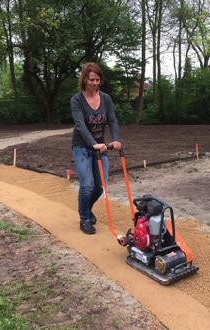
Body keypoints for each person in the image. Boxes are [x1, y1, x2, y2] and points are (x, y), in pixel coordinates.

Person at [71, 62, 121, 235]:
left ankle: (86, 209)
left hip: (101, 148)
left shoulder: (106, 98)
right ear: (84, 79)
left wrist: (115, 139)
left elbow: (112, 120)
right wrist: (93, 143)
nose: (95, 83)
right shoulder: (77, 100)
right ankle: (84, 219)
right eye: (91, 79)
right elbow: (80, 126)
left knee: (100, 187)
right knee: (87, 185)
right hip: (81, 147)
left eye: (98, 79)